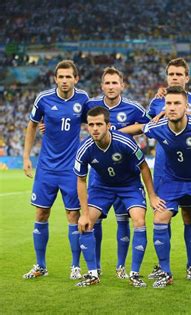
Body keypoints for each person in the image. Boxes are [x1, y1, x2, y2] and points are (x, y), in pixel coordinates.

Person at [123, 86, 191, 289]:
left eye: (177, 103)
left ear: (186, 106)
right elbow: (138, 129)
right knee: (160, 218)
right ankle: (166, 272)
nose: (171, 107)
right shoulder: (158, 126)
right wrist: (113, 132)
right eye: (168, 103)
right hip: (172, 180)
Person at [74, 106, 163, 287]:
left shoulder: (125, 142)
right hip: (102, 187)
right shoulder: (85, 149)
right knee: (86, 223)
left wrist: (152, 195)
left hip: (129, 185)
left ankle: (135, 274)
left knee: (139, 220)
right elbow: (81, 181)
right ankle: (92, 274)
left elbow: (144, 167)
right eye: (91, 125)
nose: (95, 128)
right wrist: (83, 213)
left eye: (99, 124)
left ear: (108, 125)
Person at [23, 60, 89, 280]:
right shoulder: (43, 99)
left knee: (73, 215)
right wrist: (26, 156)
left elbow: (94, 121)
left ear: (75, 79)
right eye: (60, 77)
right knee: (41, 213)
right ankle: (40, 265)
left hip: (71, 170)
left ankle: (75, 266)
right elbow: (32, 125)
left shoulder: (83, 99)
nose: (64, 81)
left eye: (68, 76)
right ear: (55, 79)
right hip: (46, 169)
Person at [84, 66, 150, 279]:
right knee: (96, 220)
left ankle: (121, 266)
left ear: (122, 85)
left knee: (123, 219)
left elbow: (148, 125)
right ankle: (97, 265)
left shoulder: (133, 107)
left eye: (115, 83)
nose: (111, 87)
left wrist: (120, 132)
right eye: (107, 83)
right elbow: (73, 121)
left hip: (126, 172)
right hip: (99, 172)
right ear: (101, 86)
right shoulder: (91, 105)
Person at [147, 58, 191, 281]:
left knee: (189, 215)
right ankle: (164, 266)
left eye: (179, 74)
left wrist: (187, 114)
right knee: (163, 215)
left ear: (187, 77)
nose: (175, 77)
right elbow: (148, 125)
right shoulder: (157, 101)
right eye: (171, 74)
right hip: (164, 169)